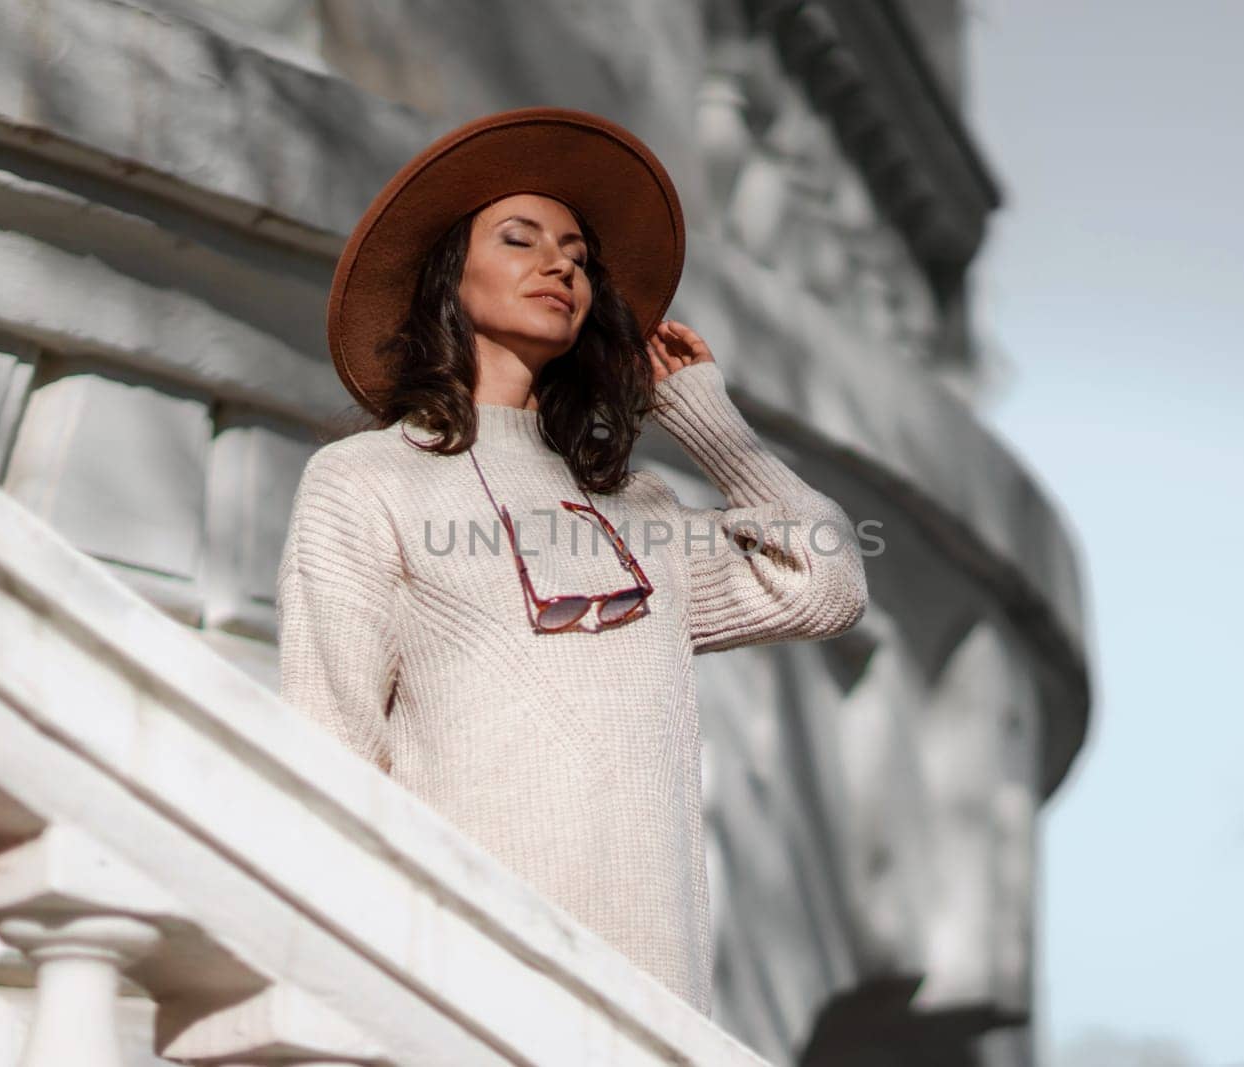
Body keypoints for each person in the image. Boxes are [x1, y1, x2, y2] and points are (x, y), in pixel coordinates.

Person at [276, 107, 868, 1016]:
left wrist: (709, 420)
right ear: (450, 273)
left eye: (579, 256)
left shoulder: (640, 509)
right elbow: (330, 739)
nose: (560, 264)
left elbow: (825, 581)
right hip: (463, 970)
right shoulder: (367, 481)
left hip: (653, 992)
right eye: (521, 239)